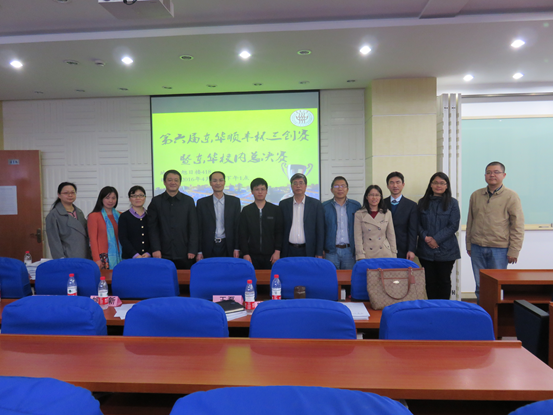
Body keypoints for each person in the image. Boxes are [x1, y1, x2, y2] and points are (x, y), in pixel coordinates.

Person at [466, 161, 524, 303]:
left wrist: (514, 250)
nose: (492, 175)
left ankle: (496, 315)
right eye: (489, 172)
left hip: (499, 249)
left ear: (504, 175)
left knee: (497, 285)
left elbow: (517, 225)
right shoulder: (476, 195)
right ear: (485, 175)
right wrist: (468, 245)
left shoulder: (511, 196)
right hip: (477, 247)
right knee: (480, 286)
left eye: (496, 172)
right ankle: (482, 313)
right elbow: (470, 222)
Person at [416, 172, 461, 300]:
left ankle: (443, 308)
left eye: (442, 183)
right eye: (435, 183)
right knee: (429, 281)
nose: (438, 186)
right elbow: (417, 224)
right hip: (425, 250)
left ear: (447, 186)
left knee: (444, 281)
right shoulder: (422, 202)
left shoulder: (452, 203)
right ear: (431, 185)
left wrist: (436, 239)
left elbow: (453, 225)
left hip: (447, 250)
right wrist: (425, 237)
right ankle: (432, 307)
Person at [148, 170, 198, 269]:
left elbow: (193, 226)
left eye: (176, 180)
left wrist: (192, 249)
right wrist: (155, 249)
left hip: (184, 252)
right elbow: (152, 228)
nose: (173, 182)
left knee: (185, 278)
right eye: (170, 180)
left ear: (180, 183)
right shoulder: (156, 201)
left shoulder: (188, 201)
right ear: (164, 182)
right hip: (162, 253)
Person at [239, 178, 284, 269]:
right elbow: (243, 234)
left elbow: (279, 232)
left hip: (271, 255)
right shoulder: (246, 210)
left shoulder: (275, 210)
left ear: (266, 191)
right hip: (251, 255)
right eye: (257, 189)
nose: (260, 192)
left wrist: (277, 251)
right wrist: (245, 253)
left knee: (269, 277)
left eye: (262, 189)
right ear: (252, 192)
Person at [196, 171, 241, 260]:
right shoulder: (202, 203)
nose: (218, 183)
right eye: (214, 181)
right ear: (210, 183)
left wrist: (237, 248)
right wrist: (199, 251)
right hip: (208, 246)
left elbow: (237, 226)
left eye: (220, 180)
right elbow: (198, 228)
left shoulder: (234, 202)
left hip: (228, 245)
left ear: (224, 182)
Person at [279, 173, 324, 258]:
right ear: (291, 186)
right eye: (295, 183)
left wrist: (319, 252)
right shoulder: (283, 204)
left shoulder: (315, 204)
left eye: (301, 183)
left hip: (308, 250)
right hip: (288, 249)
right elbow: (280, 229)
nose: (298, 186)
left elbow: (320, 230)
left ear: (306, 186)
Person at [322, 176, 361, 269]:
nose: (340, 189)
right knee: (331, 276)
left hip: (349, 251)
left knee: (349, 277)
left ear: (347, 189)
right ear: (331, 190)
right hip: (330, 252)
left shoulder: (356, 206)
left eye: (343, 186)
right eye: (336, 186)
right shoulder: (324, 207)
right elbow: (321, 230)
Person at [45, 182, 89, 259]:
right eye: (66, 193)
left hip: (84, 254)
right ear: (59, 195)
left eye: (72, 192)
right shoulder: (53, 215)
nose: (70, 195)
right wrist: (61, 259)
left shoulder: (79, 212)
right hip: (68, 257)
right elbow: (54, 242)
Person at [354, 185, 397, 260]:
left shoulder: (387, 213)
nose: (374, 198)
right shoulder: (359, 214)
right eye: (371, 195)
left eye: (377, 195)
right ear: (366, 197)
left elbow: (391, 235)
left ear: (380, 197)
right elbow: (358, 237)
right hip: (367, 253)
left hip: (384, 253)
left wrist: (394, 254)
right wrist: (360, 255)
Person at [384, 172, 418, 261]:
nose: (395, 185)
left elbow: (413, 230)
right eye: (392, 183)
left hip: (403, 248)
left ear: (403, 185)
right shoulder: (381, 204)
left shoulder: (411, 205)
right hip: (384, 248)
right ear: (387, 186)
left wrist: (411, 250)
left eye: (398, 182)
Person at [87, 186, 122, 270]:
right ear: (101, 199)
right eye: (107, 198)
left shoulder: (120, 215)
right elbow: (92, 240)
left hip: (119, 255)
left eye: (113, 198)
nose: (110, 201)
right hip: (103, 257)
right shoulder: (93, 216)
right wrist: (96, 259)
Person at [118, 186, 151, 260]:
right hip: (130, 258)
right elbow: (123, 239)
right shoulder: (124, 216)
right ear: (130, 199)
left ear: (145, 198)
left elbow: (155, 236)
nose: (138, 198)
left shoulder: (150, 215)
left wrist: (149, 253)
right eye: (134, 196)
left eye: (141, 195)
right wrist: (135, 255)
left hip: (148, 258)